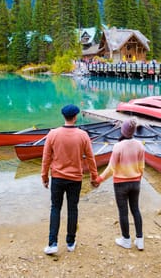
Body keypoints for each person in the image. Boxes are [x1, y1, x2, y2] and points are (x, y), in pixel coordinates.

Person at [41, 104, 99, 255]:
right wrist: (94, 176)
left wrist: (44, 176)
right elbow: (91, 159)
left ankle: (52, 243)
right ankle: (70, 242)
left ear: (64, 117)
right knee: (73, 209)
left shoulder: (52, 134)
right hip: (75, 179)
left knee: (55, 208)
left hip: (58, 178)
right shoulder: (83, 135)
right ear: (75, 117)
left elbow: (46, 158)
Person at [95, 118, 145, 250]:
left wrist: (99, 179)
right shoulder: (140, 145)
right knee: (135, 209)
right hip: (135, 182)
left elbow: (111, 168)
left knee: (123, 212)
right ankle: (140, 240)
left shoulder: (118, 147)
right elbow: (142, 167)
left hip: (120, 184)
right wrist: (138, 179)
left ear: (123, 131)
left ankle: (126, 240)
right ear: (133, 131)